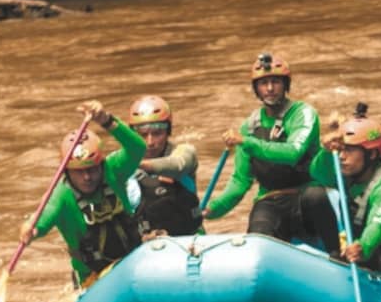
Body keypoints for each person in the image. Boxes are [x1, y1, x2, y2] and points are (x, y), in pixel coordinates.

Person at [203, 52, 340, 255]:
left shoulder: (303, 113)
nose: (269, 88)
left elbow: (293, 152)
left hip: (305, 195)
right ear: (256, 89)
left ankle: (336, 255)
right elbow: (240, 182)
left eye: (275, 82)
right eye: (263, 83)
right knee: (258, 228)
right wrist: (210, 211)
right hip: (271, 199)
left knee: (316, 196)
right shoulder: (248, 127)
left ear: (285, 85)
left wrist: (247, 142)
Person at [20, 100, 146, 287]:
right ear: (67, 172)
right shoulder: (61, 195)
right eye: (78, 171)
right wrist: (31, 229)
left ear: (101, 165)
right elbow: (44, 217)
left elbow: (138, 148)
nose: (87, 177)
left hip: (133, 262)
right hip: (93, 279)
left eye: (92, 169)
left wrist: (106, 120)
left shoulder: (113, 170)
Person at [311, 117, 381, 278]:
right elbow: (318, 175)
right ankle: (335, 253)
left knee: (361, 260)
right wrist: (326, 151)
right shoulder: (351, 175)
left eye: (349, 150)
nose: (341, 156)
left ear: (371, 154)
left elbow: (378, 226)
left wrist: (362, 248)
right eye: (340, 149)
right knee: (312, 196)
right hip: (369, 245)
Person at [127, 95, 202, 236]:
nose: (150, 142)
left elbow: (178, 165)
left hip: (190, 238)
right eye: (143, 135)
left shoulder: (185, 152)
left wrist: (140, 165)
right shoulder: (123, 165)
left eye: (157, 133)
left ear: (168, 132)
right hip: (150, 243)